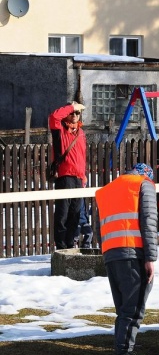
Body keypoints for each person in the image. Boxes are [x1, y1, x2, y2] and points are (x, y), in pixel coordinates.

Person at [95, 163, 158, 355]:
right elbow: (149, 222)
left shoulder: (107, 189)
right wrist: (151, 257)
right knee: (133, 311)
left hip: (111, 254)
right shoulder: (144, 185)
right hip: (134, 253)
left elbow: (98, 227)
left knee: (123, 310)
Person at [49, 101, 87, 249]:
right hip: (64, 177)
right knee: (62, 214)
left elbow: (82, 156)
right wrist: (71, 106)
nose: (75, 115)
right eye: (72, 113)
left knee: (75, 214)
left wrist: (83, 176)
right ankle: (61, 246)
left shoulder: (81, 133)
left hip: (78, 177)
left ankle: (70, 244)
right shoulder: (60, 129)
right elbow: (53, 117)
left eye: (77, 113)